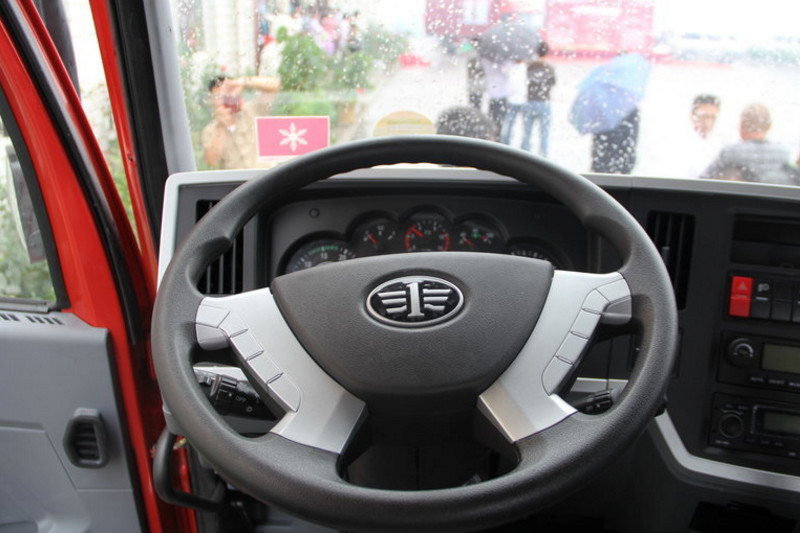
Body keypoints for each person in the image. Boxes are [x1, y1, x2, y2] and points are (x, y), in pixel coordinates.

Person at [701, 103, 797, 185]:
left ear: (742, 124)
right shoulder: (783, 153)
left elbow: (704, 181)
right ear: (769, 126)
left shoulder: (731, 152)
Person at [202, 75, 280, 169]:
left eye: (228, 94)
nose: (225, 99)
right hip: (238, 178)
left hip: (267, 174)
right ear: (212, 101)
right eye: (218, 96)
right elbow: (211, 161)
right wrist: (222, 127)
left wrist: (243, 82)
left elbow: (274, 85)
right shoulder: (210, 130)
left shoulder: (254, 109)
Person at [521, 41, 555, 155]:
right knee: (544, 134)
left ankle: (523, 156)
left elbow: (525, 80)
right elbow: (553, 82)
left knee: (527, 133)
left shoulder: (530, 66)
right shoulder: (549, 67)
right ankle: (543, 157)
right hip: (544, 102)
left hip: (530, 101)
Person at [679, 94, 724, 178]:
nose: (708, 123)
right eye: (704, 117)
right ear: (693, 115)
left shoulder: (721, 145)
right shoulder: (680, 142)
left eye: (712, 117)